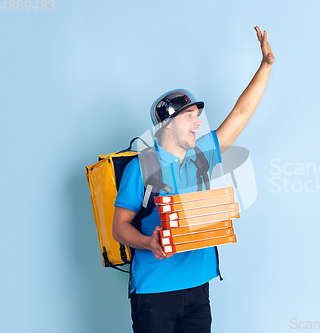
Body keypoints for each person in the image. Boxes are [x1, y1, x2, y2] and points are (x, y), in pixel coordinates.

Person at [112, 26, 274, 333]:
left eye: (197, 115)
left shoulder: (202, 155)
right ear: (168, 125)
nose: (198, 122)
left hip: (199, 288)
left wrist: (265, 65)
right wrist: (148, 242)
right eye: (189, 116)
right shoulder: (142, 168)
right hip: (155, 293)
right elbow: (119, 227)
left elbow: (241, 113)